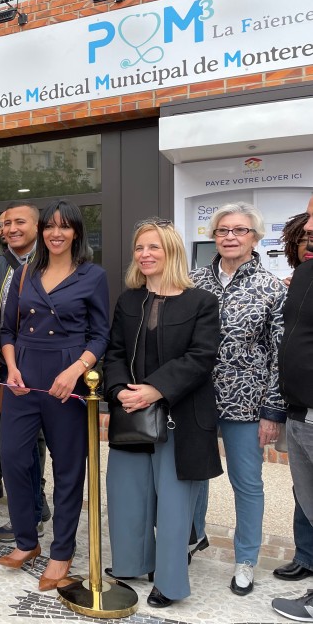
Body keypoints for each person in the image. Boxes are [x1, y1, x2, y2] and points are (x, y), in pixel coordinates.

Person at [104, 218, 222, 608]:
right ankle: (133, 563)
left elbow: (202, 357)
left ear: (171, 251)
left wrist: (155, 389)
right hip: (133, 415)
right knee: (127, 494)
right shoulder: (128, 300)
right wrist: (120, 391)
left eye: (154, 247)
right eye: (140, 248)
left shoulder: (201, 301)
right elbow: (115, 352)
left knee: (173, 505)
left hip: (181, 418)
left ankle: (169, 583)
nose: (145, 254)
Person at [0, 200, 109, 591]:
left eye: (64, 227)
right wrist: (11, 367)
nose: (56, 233)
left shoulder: (93, 275)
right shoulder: (25, 272)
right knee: (12, 457)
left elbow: (101, 335)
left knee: (68, 468)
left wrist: (77, 369)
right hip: (23, 376)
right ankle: (26, 540)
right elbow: (7, 330)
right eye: (49, 226)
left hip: (68, 379)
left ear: (76, 232)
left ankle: (62, 552)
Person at [190, 202, 286, 596]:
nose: (230, 236)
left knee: (246, 482)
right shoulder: (193, 281)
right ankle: (191, 538)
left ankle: (245, 558)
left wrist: (272, 410)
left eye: (240, 230)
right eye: (223, 230)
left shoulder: (272, 288)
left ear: (255, 238)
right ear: (213, 236)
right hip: (194, 397)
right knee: (192, 475)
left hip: (247, 403)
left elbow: (280, 354)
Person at [0, 202, 47, 544]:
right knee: (1, 432)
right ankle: (2, 486)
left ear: (38, 226)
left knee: (35, 440)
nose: (12, 229)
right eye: (6, 224)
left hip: (40, 366)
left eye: (20, 222)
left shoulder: (52, 262)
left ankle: (36, 501)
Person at [272, 194, 313, 622]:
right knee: (307, 497)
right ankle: (307, 560)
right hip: (299, 409)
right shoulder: (300, 279)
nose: (308, 237)